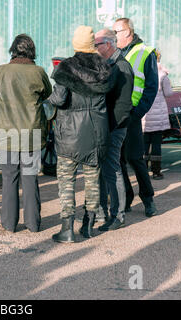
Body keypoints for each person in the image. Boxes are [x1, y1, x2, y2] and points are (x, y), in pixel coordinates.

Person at [47, 26, 117, 242]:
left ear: (75, 43)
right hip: (96, 133)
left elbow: (58, 100)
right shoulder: (105, 69)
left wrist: (47, 101)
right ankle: (88, 226)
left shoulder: (67, 67)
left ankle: (67, 228)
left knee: (67, 180)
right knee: (92, 180)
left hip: (69, 133)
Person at [0, 34, 52, 233]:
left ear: (13, 50)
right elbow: (47, 93)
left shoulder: (3, 70)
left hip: (6, 134)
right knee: (30, 178)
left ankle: (9, 224)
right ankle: (33, 223)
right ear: (32, 51)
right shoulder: (38, 72)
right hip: (31, 134)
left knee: (9, 178)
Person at [113, 18, 159, 217]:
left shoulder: (145, 52)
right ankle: (127, 198)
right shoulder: (116, 54)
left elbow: (151, 87)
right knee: (119, 160)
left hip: (131, 114)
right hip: (116, 115)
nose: (114, 35)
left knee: (135, 158)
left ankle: (148, 199)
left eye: (116, 31)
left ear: (127, 32)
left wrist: (138, 112)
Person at [94, 29, 134, 231]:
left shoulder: (121, 67)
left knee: (113, 169)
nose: (95, 48)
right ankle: (103, 211)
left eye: (97, 44)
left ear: (108, 44)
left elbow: (123, 105)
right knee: (104, 169)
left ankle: (118, 215)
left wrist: (110, 126)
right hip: (107, 126)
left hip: (114, 127)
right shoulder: (111, 65)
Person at [142, 49, 173, 180]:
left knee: (144, 144)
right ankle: (156, 171)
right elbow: (168, 93)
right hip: (159, 115)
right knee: (156, 145)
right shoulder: (162, 75)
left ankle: (142, 170)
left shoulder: (142, 73)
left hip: (145, 114)